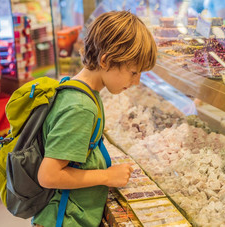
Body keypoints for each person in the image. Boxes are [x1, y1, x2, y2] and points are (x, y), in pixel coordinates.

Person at [32, 11, 157, 227]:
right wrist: (107, 176)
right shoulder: (81, 107)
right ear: (106, 61)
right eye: (134, 72)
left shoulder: (82, 91)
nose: (136, 82)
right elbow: (49, 175)